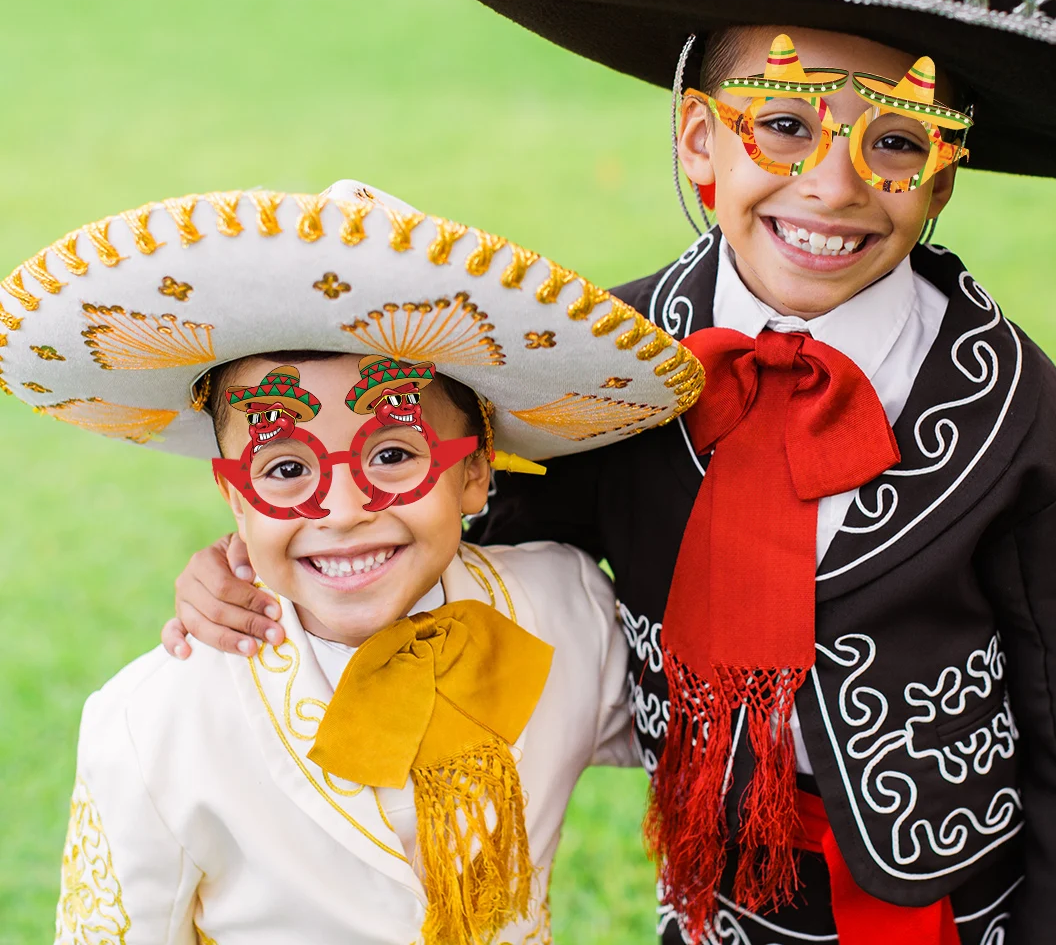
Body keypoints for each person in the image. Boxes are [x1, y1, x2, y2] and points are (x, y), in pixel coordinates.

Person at [162, 0, 1056, 944]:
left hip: (945, 910)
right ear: (701, 138)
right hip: (716, 905)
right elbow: (436, 530)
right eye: (784, 122)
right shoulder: (597, 366)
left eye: (896, 141)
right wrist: (252, 572)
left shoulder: (1022, 424)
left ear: (943, 174)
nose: (832, 185)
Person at [0, 181, 704, 945]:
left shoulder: (566, 609)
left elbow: (707, 735)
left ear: (475, 473)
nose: (340, 510)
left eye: (394, 454)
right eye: (285, 470)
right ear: (234, 498)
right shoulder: (154, 722)